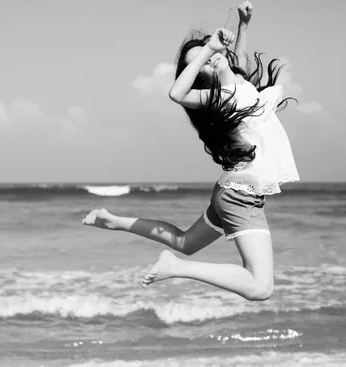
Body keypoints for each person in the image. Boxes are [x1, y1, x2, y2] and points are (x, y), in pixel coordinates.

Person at [83, 1, 299, 301]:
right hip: (240, 196)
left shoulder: (240, 87)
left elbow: (238, 62)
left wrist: (243, 25)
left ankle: (112, 221)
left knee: (184, 241)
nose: (211, 59)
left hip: (233, 192)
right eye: (203, 60)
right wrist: (209, 49)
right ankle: (176, 267)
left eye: (212, 54)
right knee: (261, 287)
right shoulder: (216, 100)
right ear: (202, 77)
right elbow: (177, 93)